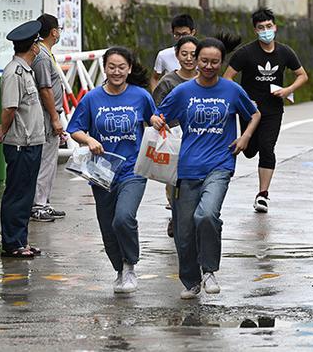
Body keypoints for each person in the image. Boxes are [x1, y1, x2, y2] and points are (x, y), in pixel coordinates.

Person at [155, 36, 261, 299]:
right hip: (187, 167)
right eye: (204, 61)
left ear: (221, 62)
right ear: (196, 60)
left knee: (206, 215)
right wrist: (156, 121)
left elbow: (255, 113)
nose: (209, 66)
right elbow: (159, 115)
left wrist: (245, 136)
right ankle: (191, 281)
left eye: (215, 62)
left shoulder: (231, 90)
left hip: (220, 164)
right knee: (184, 228)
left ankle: (210, 271)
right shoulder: (183, 91)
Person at [68, 47, 156, 294]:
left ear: (129, 69)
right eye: (111, 67)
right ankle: (119, 269)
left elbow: (155, 123)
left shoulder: (141, 96)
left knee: (123, 218)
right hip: (102, 172)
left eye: (122, 67)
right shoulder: (91, 98)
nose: (117, 72)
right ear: (105, 68)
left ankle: (130, 265)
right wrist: (88, 140)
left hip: (133, 169)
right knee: (107, 226)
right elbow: (74, 128)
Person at [224, 8, 308, 213]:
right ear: (255, 30)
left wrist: (288, 90)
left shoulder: (285, 52)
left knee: (267, 148)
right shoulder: (245, 53)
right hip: (249, 111)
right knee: (250, 150)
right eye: (261, 28)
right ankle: (252, 152)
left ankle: (262, 195)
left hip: (273, 110)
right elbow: (227, 78)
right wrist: (244, 99)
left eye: (269, 26)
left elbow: (302, 75)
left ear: (275, 27)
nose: (266, 31)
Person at [0, 21, 45, 258]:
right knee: (17, 194)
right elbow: (10, 108)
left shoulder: (26, 70)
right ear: (33, 47)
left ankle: (21, 240)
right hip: (20, 144)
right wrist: (3, 130)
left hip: (31, 142)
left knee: (26, 194)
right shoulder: (14, 73)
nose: (38, 47)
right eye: (37, 43)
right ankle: (12, 243)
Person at [152, 35, 199, 238]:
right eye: (184, 54)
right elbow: (156, 111)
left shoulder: (205, 79)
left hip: (199, 140)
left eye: (193, 54)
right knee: (174, 181)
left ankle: (192, 217)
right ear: (177, 56)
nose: (189, 58)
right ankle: (176, 215)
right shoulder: (168, 82)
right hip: (173, 141)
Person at [30, 14, 66, 222]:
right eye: (58, 29)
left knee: (50, 161)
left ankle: (44, 201)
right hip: (46, 115)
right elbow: (45, 89)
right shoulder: (43, 56)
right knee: (45, 161)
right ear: (54, 32)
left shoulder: (46, 53)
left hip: (51, 113)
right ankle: (38, 205)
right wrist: (54, 118)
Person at [150, 14, 196, 89]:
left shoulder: (202, 54)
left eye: (184, 34)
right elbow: (154, 78)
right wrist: (157, 98)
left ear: (192, 32)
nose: (181, 38)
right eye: (177, 34)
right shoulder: (163, 55)